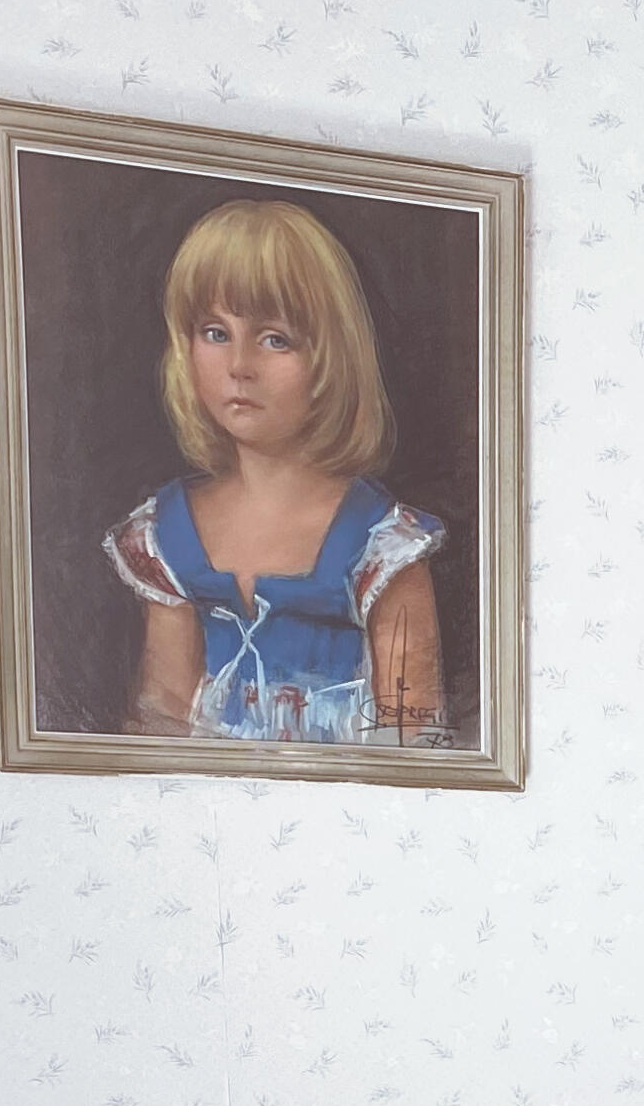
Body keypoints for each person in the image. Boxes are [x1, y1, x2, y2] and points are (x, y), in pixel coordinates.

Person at [103, 199, 446, 744]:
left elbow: (414, 734)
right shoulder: (169, 532)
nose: (240, 366)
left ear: (330, 358)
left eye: (274, 339)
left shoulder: (382, 546)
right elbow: (162, 721)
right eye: (216, 333)